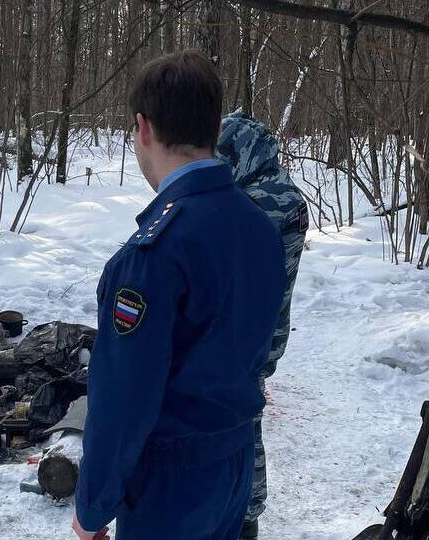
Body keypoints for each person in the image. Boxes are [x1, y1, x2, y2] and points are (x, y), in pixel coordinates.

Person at [72, 50, 286, 540]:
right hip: (234, 463)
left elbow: (124, 398)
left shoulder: (154, 253)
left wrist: (92, 506)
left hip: (172, 481)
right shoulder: (258, 227)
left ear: (143, 128)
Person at [216, 112, 309, 539]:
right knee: (248, 408)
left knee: (240, 420)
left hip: (244, 338)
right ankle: (248, 512)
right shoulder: (284, 193)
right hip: (270, 333)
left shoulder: (259, 202)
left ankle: (245, 514)